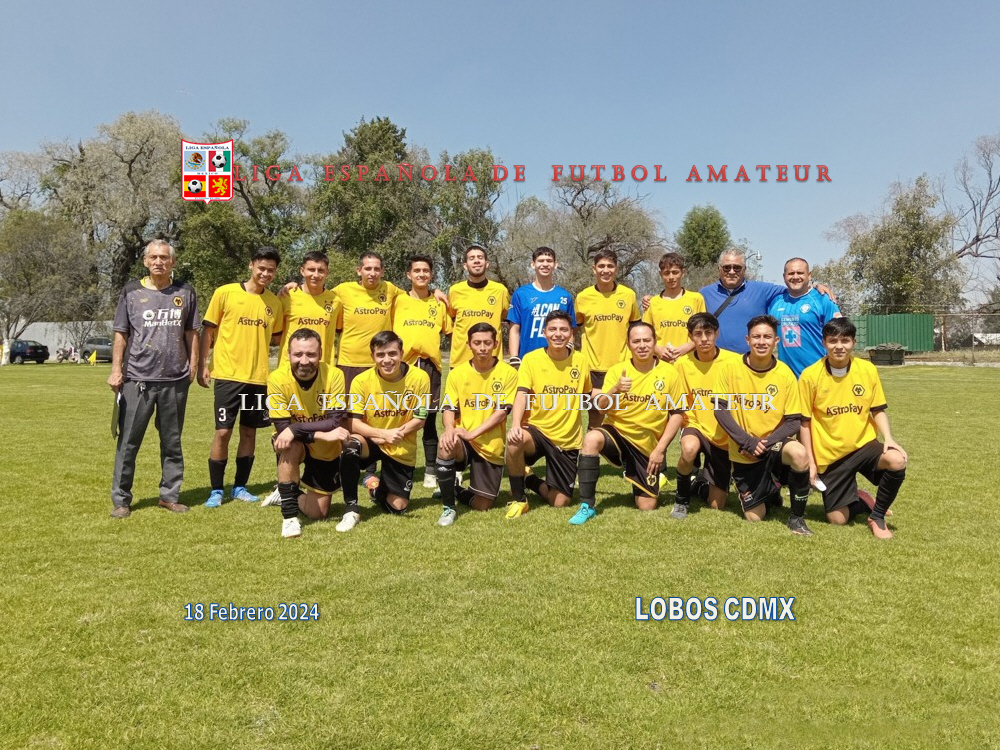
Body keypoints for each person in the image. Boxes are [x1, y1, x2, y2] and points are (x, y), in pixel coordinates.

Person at [108, 239, 199, 518]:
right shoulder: (131, 291)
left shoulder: (185, 291)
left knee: (172, 442)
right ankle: (121, 500)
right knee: (128, 443)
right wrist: (116, 369)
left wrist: (194, 365)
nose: (159, 262)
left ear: (173, 262)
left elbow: (192, 332)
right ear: (146, 261)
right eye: (154, 257)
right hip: (138, 379)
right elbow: (121, 333)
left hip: (175, 379)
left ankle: (169, 496)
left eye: (164, 257)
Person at [798, 318, 907, 539]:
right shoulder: (810, 376)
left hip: (863, 446)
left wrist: (888, 438)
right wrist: (811, 461)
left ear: (853, 343)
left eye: (845, 341)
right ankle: (862, 500)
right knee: (838, 520)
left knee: (896, 460)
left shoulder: (867, 370)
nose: (839, 346)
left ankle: (877, 517)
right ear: (824, 343)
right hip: (831, 456)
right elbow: (805, 422)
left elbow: (877, 409)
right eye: (833, 341)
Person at [573, 321, 687, 525]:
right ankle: (586, 506)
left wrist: (660, 450)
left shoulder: (670, 373)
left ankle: (638, 473)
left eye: (646, 340)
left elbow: (677, 414)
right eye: (636, 341)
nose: (642, 345)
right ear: (628, 344)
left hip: (646, 445)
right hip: (617, 432)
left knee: (647, 505)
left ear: (655, 342)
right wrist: (615, 389)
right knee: (591, 439)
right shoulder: (618, 370)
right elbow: (601, 407)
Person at [714, 315, 813, 535]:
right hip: (744, 450)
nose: (761, 341)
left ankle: (797, 518)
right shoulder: (729, 368)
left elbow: (793, 421)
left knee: (799, 453)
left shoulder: (785, 373)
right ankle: (770, 490)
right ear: (747, 340)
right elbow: (720, 410)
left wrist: (765, 443)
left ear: (776, 341)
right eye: (756, 337)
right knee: (755, 517)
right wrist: (747, 442)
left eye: (767, 337)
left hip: (773, 444)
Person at [200, 246, 284, 506]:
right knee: (223, 432)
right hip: (228, 375)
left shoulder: (274, 303)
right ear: (251, 265)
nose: (265, 274)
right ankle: (216, 490)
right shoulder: (225, 293)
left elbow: (279, 337)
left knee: (249, 433)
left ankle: (240, 487)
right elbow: (208, 331)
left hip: (258, 379)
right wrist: (203, 364)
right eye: (261, 268)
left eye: (271, 270)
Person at [336, 331, 431, 532]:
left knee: (398, 508)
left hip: (400, 443)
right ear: (372, 356)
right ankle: (351, 509)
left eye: (392, 353)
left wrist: (393, 434)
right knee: (351, 445)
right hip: (371, 440)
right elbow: (353, 423)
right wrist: (382, 434)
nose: (387, 360)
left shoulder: (420, 377)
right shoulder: (361, 381)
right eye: (380, 355)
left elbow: (420, 419)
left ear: (402, 353)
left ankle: (376, 490)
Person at [505, 310, 592, 517]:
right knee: (515, 441)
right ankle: (519, 499)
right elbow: (521, 393)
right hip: (538, 431)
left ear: (571, 333)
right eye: (552, 329)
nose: (558, 334)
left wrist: (615, 390)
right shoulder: (531, 359)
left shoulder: (581, 361)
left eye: (563, 330)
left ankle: (529, 479)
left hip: (567, 440)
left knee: (559, 502)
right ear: (544, 332)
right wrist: (516, 424)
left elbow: (588, 394)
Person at [268, 329, 350, 538]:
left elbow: (334, 422)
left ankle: (286, 492)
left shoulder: (334, 375)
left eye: (311, 354)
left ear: (320, 353)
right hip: (298, 441)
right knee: (288, 445)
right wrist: (319, 434)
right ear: (288, 354)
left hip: (325, 448)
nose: (304, 361)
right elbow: (282, 428)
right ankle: (289, 518)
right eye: (298, 354)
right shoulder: (277, 378)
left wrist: (295, 428)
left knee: (318, 513)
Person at [435, 323, 518, 526]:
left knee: (483, 505)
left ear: (496, 344)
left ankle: (454, 489)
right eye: (477, 343)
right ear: (469, 345)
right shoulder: (457, 373)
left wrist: (472, 434)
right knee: (445, 443)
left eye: (487, 343)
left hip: (490, 444)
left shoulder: (508, 373)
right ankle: (448, 507)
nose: (482, 348)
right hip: (463, 440)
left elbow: (501, 413)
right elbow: (448, 408)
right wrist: (449, 429)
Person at [699, 249, 835, 354]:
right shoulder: (703, 294)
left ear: (744, 269)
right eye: (727, 267)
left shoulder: (763, 290)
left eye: (737, 267)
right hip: (717, 363)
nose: (732, 271)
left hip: (752, 364)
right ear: (719, 269)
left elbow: (795, 286)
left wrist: (815, 286)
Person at [672, 312, 741, 517]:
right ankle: (681, 499)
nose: (704, 339)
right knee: (689, 448)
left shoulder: (734, 362)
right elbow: (679, 403)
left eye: (708, 333)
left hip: (722, 434)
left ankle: (699, 484)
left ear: (717, 333)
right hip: (695, 425)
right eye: (698, 334)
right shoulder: (682, 364)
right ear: (690, 336)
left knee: (717, 505)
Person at [392, 254, 451, 491]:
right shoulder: (397, 300)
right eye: (417, 271)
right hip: (401, 368)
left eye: (426, 271)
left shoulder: (438, 303)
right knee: (395, 415)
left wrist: (438, 293)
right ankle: (388, 467)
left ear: (431, 275)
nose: (421, 274)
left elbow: (450, 332)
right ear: (409, 274)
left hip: (429, 368)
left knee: (427, 419)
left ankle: (430, 470)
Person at [574, 248, 641, 428]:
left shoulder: (628, 295)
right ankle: (591, 445)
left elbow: (636, 328)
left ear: (616, 269)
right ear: (594, 269)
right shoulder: (583, 297)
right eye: (601, 266)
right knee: (595, 416)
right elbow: (574, 329)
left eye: (610, 266)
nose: (606, 270)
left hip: (622, 366)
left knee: (624, 416)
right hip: (592, 368)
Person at [768, 257, 842, 377]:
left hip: (818, 376)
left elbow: (840, 337)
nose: (795, 277)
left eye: (800, 273)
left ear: (809, 275)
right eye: (791, 273)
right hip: (787, 378)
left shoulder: (822, 299)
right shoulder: (775, 302)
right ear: (784, 276)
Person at [507, 247, 576, 364]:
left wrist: (569, 350)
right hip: (527, 359)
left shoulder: (564, 296)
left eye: (549, 261)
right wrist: (514, 357)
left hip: (558, 360)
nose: (545, 264)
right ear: (533, 264)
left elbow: (570, 329)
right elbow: (514, 329)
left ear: (555, 265)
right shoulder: (521, 294)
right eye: (541, 260)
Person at [446, 243, 510, 367]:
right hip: (460, 362)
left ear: (487, 264)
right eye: (472, 258)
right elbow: (448, 322)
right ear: (465, 266)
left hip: (492, 362)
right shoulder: (455, 291)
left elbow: (510, 322)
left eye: (480, 258)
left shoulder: (500, 291)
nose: (476, 261)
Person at [276, 251, 340, 367]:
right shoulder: (287, 297)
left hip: (322, 367)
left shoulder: (336, 301)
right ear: (302, 271)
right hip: (289, 366)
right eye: (311, 269)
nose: (316, 275)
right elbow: (276, 335)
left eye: (321, 270)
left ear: (327, 272)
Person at [642, 252, 706, 363]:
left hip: (689, 361)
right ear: (661, 274)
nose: (671, 277)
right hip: (661, 363)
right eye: (667, 273)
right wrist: (658, 349)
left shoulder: (696, 299)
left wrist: (688, 346)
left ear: (683, 273)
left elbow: (703, 331)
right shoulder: (652, 303)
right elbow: (644, 335)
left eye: (675, 272)